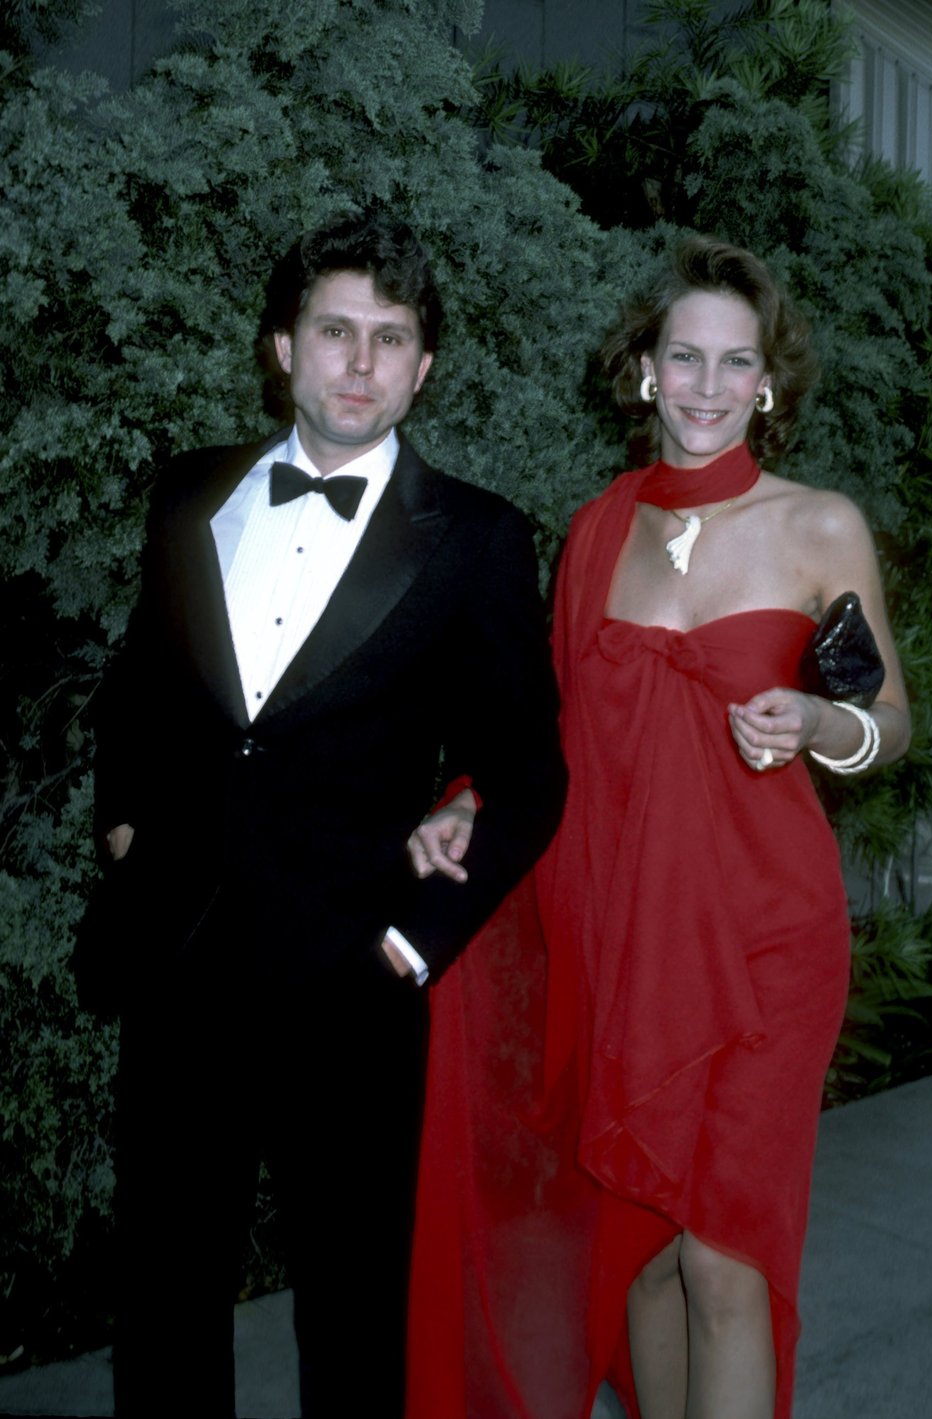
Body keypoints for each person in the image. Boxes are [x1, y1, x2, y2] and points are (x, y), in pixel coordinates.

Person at [406, 236, 910, 1419]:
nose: (705, 385)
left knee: (721, 1261)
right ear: (645, 368)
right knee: (635, 1261)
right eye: (683, 356)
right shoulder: (595, 532)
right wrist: (475, 797)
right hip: (625, 940)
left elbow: (888, 720)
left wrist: (821, 729)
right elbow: (560, 726)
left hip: (763, 945)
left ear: (767, 383)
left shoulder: (817, 528)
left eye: (734, 363)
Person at [79, 210, 567, 1418]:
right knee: (164, 1302)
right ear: (281, 348)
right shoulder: (188, 493)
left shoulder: (479, 540)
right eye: (334, 330)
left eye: (388, 338)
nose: (359, 361)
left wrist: (413, 946)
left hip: (351, 988)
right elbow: (136, 690)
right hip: (179, 962)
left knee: (354, 1321)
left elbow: (531, 777)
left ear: (423, 367)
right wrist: (128, 825)